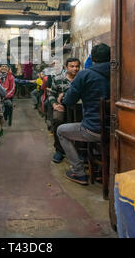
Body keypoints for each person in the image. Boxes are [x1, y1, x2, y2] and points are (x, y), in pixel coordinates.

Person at [57, 43, 110, 185]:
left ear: (92, 59)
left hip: (93, 130)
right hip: (116, 130)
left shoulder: (85, 74)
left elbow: (69, 100)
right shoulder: (118, 72)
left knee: (61, 131)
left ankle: (78, 172)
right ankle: (100, 170)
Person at [48, 58, 81, 163]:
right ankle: (59, 150)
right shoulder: (58, 79)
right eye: (72, 66)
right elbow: (51, 94)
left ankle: (80, 151)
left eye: (77, 66)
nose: (75, 69)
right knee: (58, 119)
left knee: (82, 122)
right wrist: (54, 104)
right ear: (66, 67)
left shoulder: (82, 78)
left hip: (78, 107)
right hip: (62, 106)